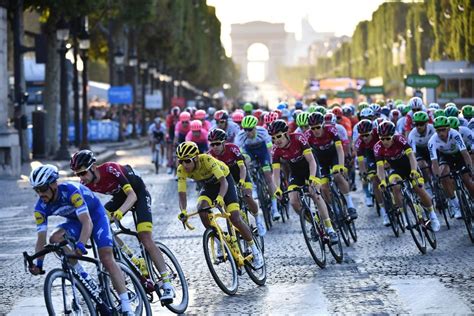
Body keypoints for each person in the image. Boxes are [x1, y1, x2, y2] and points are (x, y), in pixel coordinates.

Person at [70, 151, 175, 303]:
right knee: (99, 226)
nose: (81, 178)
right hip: (119, 198)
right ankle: (132, 258)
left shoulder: (110, 169)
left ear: (93, 167)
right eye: (77, 175)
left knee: (145, 237)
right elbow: (88, 212)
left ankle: (167, 284)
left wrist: (120, 212)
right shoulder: (85, 184)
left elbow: (132, 196)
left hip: (137, 193)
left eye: (83, 172)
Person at [28, 164, 135, 315]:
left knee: (106, 257)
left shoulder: (71, 192)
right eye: (36, 190)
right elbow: (41, 239)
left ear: (53, 184)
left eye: (43, 188)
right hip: (75, 221)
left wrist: (81, 245)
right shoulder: (40, 207)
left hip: (95, 216)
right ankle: (81, 274)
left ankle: (126, 305)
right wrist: (38, 263)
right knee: (55, 238)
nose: (40, 193)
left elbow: (87, 222)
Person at [175, 141, 264, 268]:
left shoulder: (207, 160)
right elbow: (182, 193)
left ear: (195, 157)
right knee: (201, 209)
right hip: (209, 186)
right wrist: (183, 211)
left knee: (235, 218)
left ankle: (256, 252)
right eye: (181, 161)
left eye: (187, 161)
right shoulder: (181, 170)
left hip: (225, 182)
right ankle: (219, 241)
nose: (184, 164)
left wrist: (220, 198)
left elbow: (224, 183)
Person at [268, 120, 339, 244]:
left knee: (314, 193)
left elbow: (311, 161)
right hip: (296, 173)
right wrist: (277, 188)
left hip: (311, 167)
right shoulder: (275, 150)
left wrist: (313, 178)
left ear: (286, 133)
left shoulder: (298, 138)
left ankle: (330, 228)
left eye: (278, 136)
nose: (276, 140)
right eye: (273, 138)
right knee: (294, 201)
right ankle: (314, 223)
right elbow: (275, 171)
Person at [375, 121, 441, 231]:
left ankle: (433, 216)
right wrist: (382, 181)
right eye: (382, 138)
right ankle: (405, 216)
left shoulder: (399, 139)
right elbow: (380, 167)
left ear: (393, 135)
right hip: (396, 170)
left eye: (388, 138)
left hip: (410, 166)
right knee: (394, 186)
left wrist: (414, 170)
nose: (385, 141)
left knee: (418, 188)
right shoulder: (377, 147)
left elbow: (411, 156)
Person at [208, 128, 266, 236]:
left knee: (247, 196)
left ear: (224, 142)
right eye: (212, 145)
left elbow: (242, 167)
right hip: (227, 179)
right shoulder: (210, 155)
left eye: (217, 144)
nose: (214, 147)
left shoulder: (233, 149)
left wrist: (242, 181)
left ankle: (258, 219)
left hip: (240, 174)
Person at [305, 112, 358, 220]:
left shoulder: (331, 130)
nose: (315, 131)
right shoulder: (308, 135)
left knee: (338, 175)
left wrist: (341, 166)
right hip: (320, 160)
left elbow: (339, 149)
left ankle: (350, 204)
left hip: (334, 156)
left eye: (318, 127)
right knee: (324, 187)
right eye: (313, 128)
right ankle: (335, 210)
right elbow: (308, 157)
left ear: (323, 125)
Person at [236, 115, 281, 220]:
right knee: (245, 162)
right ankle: (253, 184)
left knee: (268, 177)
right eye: (245, 129)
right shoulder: (241, 135)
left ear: (255, 127)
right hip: (249, 151)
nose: (247, 132)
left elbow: (270, 149)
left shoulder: (263, 132)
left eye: (250, 129)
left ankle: (275, 209)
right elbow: (238, 152)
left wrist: (270, 162)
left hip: (263, 151)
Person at [428, 116, 474, 219]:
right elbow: (434, 162)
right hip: (445, 157)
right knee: (444, 175)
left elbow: (465, 153)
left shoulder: (455, 134)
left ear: (448, 128)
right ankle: (456, 206)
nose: (441, 133)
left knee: (467, 179)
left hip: (459, 156)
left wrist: (470, 169)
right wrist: (437, 177)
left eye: (443, 129)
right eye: (438, 130)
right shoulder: (432, 141)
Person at [354, 119, 389, 226]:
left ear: (372, 132)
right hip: (371, 156)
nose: (364, 138)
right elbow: (360, 161)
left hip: (384, 152)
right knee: (375, 181)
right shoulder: (359, 142)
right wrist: (363, 173)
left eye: (367, 135)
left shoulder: (378, 134)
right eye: (362, 135)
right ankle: (384, 212)